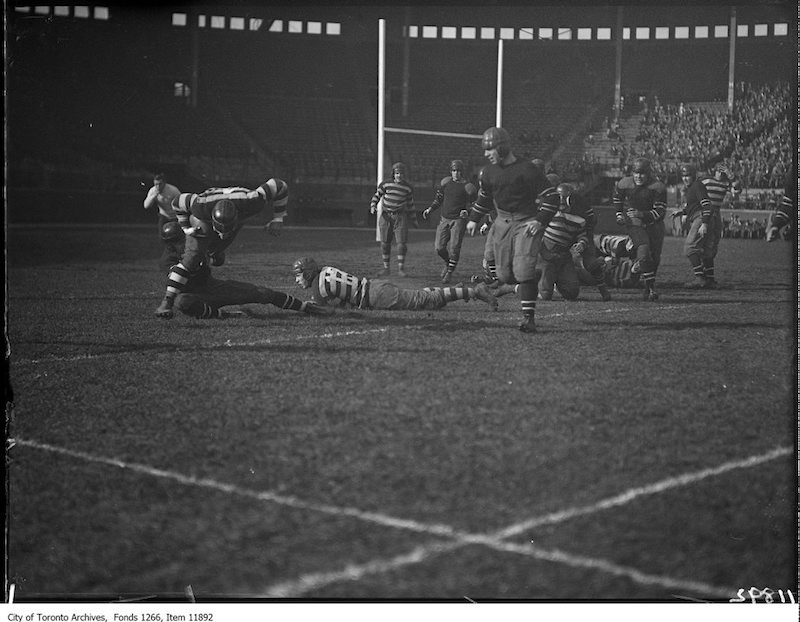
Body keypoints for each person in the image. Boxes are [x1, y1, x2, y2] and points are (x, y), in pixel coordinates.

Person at [155, 177, 289, 318]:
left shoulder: (253, 201)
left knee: (217, 256)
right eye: (219, 230)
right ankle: (167, 302)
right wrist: (186, 227)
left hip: (237, 204)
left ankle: (213, 252)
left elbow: (279, 185)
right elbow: (177, 202)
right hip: (204, 216)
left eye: (227, 230)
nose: (223, 235)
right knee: (191, 258)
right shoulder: (200, 206)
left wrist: (278, 218)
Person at [465, 127, 557, 333]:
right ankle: (530, 277)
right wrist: (473, 219)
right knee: (504, 276)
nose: (486, 154)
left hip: (526, 222)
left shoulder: (527, 169)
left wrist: (540, 220)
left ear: (503, 147)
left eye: (490, 149)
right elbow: (485, 198)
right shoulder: (488, 172)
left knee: (522, 269)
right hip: (502, 222)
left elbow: (552, 197)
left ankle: (528, 318)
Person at [292, 257, 498, 312]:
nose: (297, 279)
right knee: (423, 298)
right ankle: (459, 290)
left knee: (425, 299)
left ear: (309, 273)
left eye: (299, 275)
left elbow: (336, 310)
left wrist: (310, 306)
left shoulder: (318, 288)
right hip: (375, 287)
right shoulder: (325, 270)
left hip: (376, 297)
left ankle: (473, 291)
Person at [172, 257, 330, 320]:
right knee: (181, 302)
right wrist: (166, 303)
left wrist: (211, 256)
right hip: (197, 297)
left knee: (263, 293)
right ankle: (227, 315)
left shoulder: (197, 247)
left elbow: (217, 259)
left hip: (215, 287)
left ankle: (304, 307)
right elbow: (175, 287)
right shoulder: (170, 262)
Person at [537, 182, 603, 301]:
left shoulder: (579, 217)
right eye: (559, 197)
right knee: (545, 295)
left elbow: (583, 235)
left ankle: (558, 280)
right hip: (547, 255)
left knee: (572, 292)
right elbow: (537, 232)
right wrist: (541, 251)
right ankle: (520, 286)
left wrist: (581, 244)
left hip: (564, 257)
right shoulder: (549, 212)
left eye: (565, 197)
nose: (561, 200)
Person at [612, 157, 667, 301]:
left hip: (654, 224)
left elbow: (660, 212)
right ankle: (638, 274)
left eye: (642, 173)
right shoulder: (625, 183)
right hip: (635, 223)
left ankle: (648, 286)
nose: (639, 176)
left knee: (654, 258)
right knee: (643, 251)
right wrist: (619, 214)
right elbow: (617, 198)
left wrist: (641, 214)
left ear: (648, 174)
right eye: (636, 173)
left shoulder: (657, 187)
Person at [421, 159, 476, 284]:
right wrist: (430, 209)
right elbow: (438, 199)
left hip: (458, 220)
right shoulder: (445, 183)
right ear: (451, 171)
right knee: (439, 248)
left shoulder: (468, 187)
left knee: (454, 248)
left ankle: (450, 273)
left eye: (458, 171)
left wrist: (467, 211)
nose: (456, 173)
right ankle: (447, 262)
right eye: (454, 171)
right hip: (444, 219)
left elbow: (475, 205)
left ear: (462, 172)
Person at [671, 163, 714, 288]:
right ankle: (710, 279)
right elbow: (693, 205)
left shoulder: (696, 186)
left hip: (701, 218)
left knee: (690, 248)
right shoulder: (693, 187)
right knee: (706, 251)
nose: (685, 178)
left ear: (693, 175)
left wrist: (704, 223)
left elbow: (707, 205)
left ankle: (700, 278)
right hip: (703, 217)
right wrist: (682, 212)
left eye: (688, 175)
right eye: (683, 176)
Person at [369, 162, 415, 277]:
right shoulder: (385, 184)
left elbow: (410, 204)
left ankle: (401, 269)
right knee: (385, 243)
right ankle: (386, 268)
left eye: (401, 173)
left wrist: (414, 219)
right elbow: (377, 196)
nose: (399, 176)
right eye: (397, 173)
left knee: (401, 244)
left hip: (400, 217)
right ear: (393, 174)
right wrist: (373, 205)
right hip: (386, 216)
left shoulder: (408, 188)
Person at [697, 163, 740, 284]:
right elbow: (695, 190)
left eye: (723, 172)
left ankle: (706, 270)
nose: (721, 174)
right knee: (706, 242)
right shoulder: (706, 180)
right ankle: (706, 274)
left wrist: (732, 176)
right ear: (715, 171)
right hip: (705, 212)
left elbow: (737, 190)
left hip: (716, 213)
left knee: (714, 242)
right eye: (719, 171)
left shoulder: (725, 184)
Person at [144, 172, 181, 261]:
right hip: (163, 216)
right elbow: (146, 206)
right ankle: (168, 255)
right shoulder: (153, 190)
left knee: (177, 237)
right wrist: (153, 196)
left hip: (175, 217)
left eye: (160, 184)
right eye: (156, 184)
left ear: (164, 183)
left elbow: (181, 203)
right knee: (162, 237)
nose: (158, 186)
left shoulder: (173, 190)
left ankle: (177, 254)